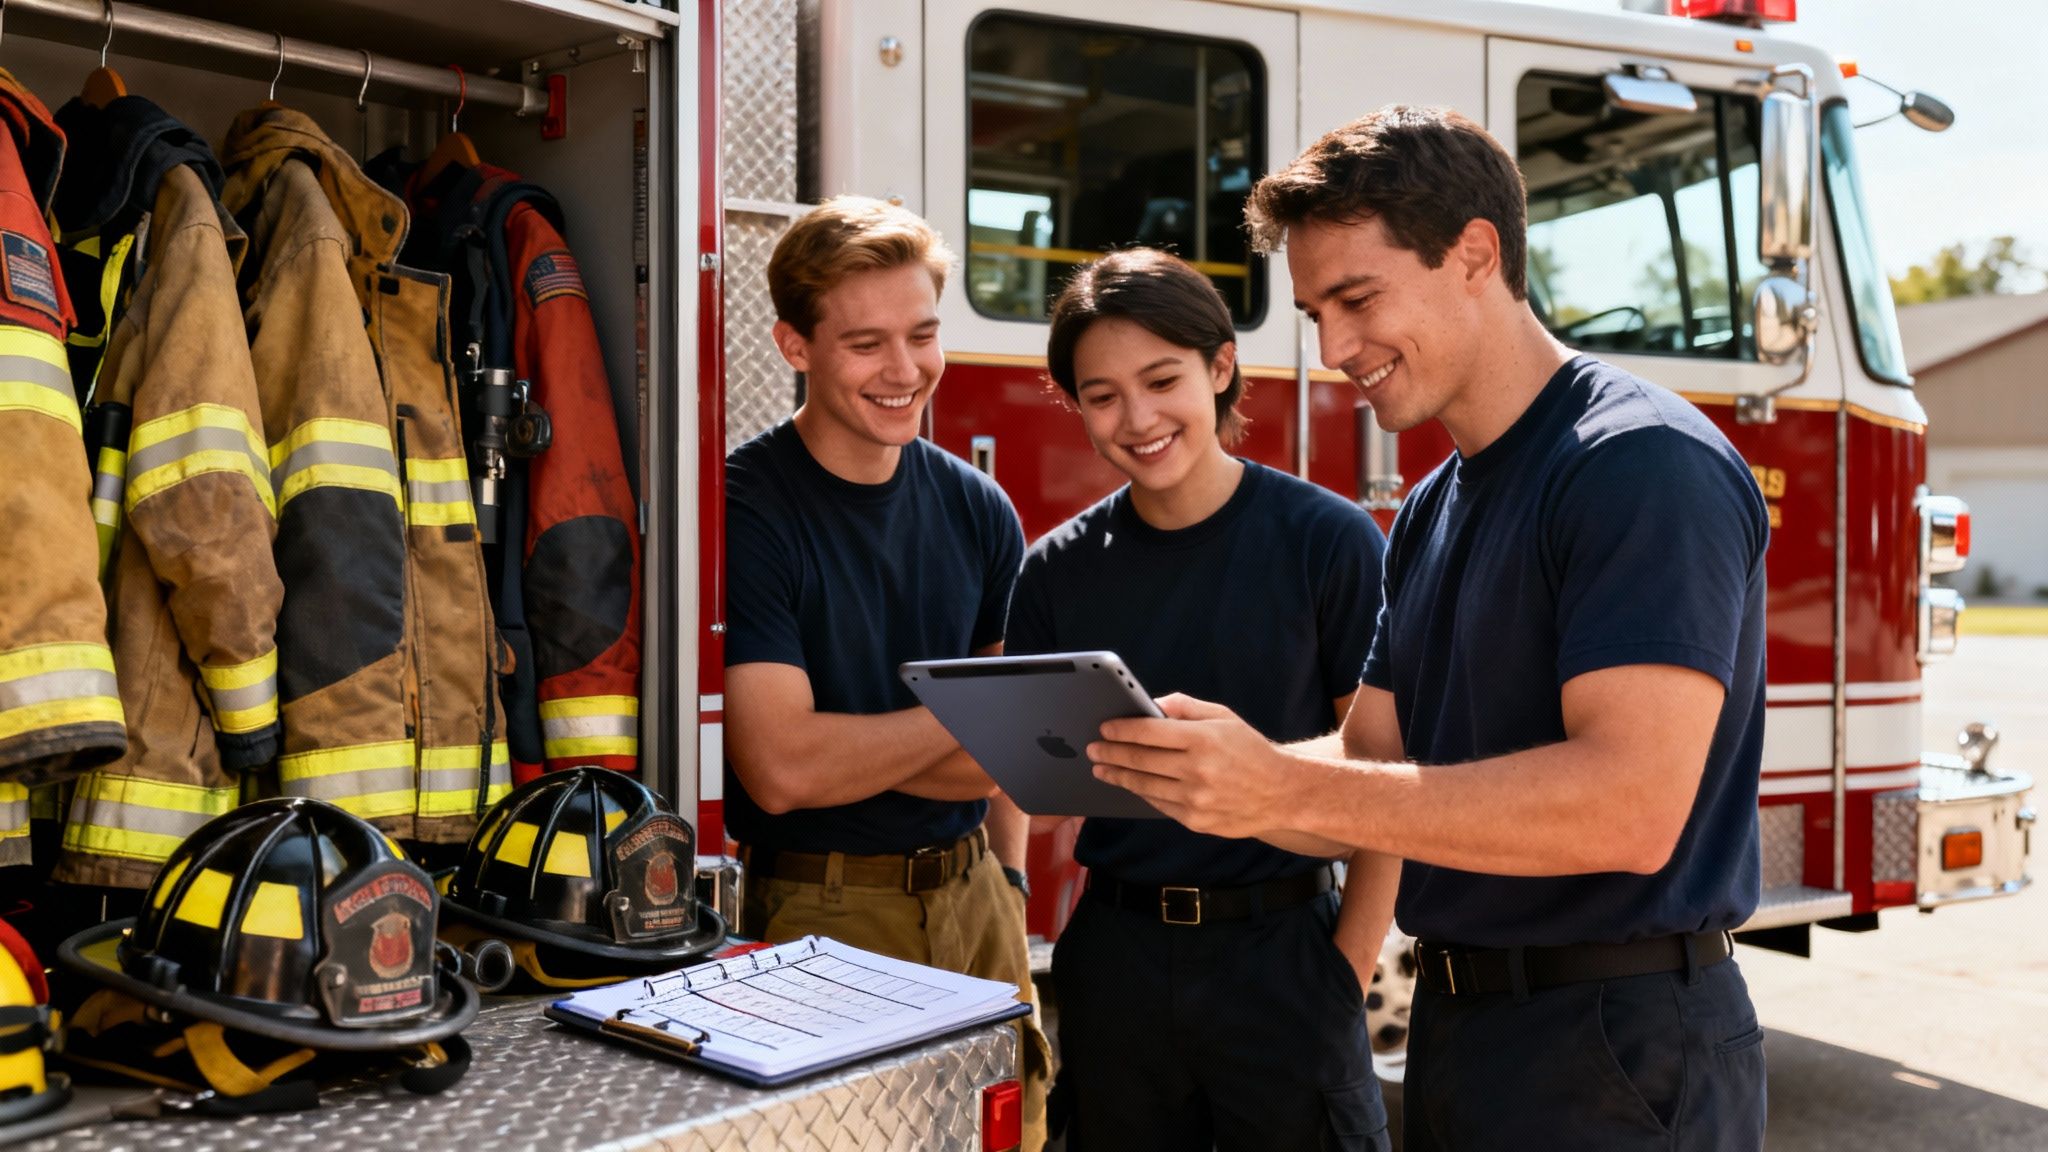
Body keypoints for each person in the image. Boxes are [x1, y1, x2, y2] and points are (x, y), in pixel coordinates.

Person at [1086, 106, 1771, 1149]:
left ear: (1474, 255)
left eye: (1356, 299)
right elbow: (1369, 767)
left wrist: (1281, 784)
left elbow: (1628, 809)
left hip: (1616, 1045)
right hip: (1466, 1036)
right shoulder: (1433, 503)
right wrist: (1206, 771)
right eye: (1315, 312)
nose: (1334, 349)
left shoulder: (1635, 464)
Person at [1008, 248, 1396, 1151]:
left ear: (1222, 367)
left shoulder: (1328, 541)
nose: (1136, 418)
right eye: (1101, 395)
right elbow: (1035, 778)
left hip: (1287, 954)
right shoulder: (1054, 573)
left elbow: (1385, 772)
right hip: (1117, 956)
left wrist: (1347, 971)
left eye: (1161, 379)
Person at [722, 196, 1050, 1149]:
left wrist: (1015, 884)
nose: (905, 372)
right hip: (822, 909)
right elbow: (782, 772)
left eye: (922, 333)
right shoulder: (749, 510)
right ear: (795, 345)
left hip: (980, 896)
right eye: (866, 344)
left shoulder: (981, 509)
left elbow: (1004, 768)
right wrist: (972, 722)